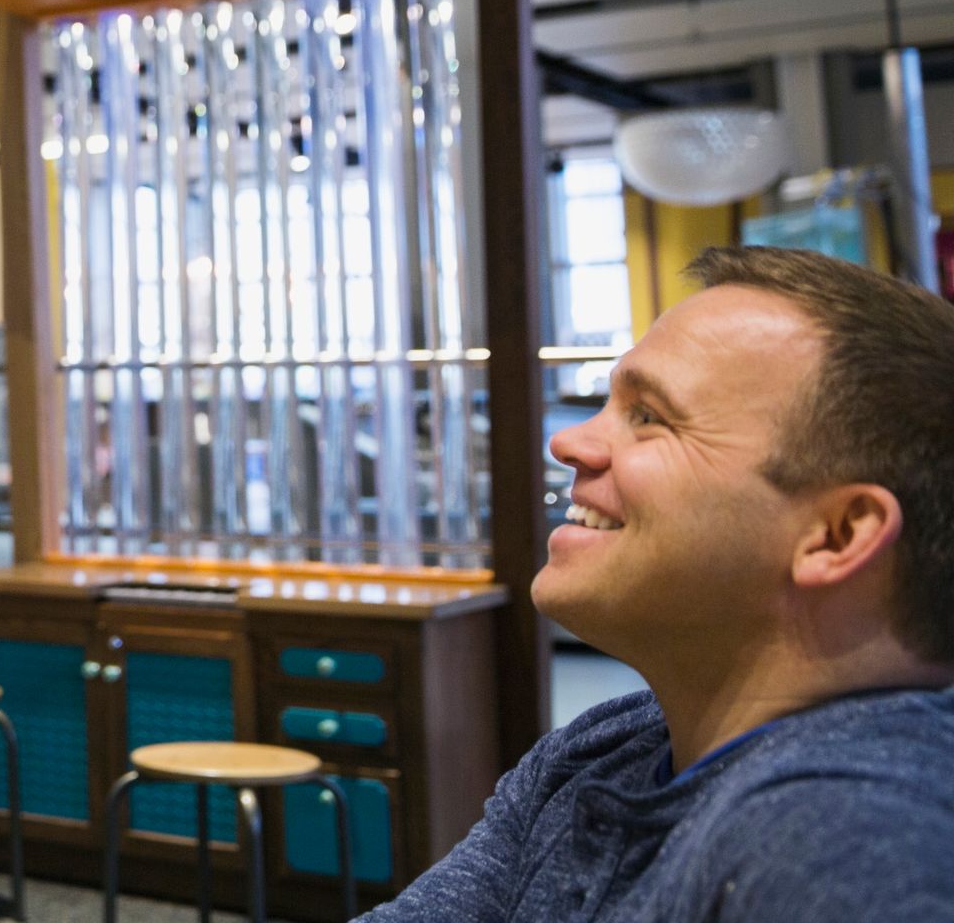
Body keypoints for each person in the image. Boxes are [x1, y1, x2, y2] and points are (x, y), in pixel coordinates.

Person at [371, 244, 954, 919]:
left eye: (649, 416)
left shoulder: (850, 836)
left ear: (839, 534)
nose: (570, 444)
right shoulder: (612, 748)